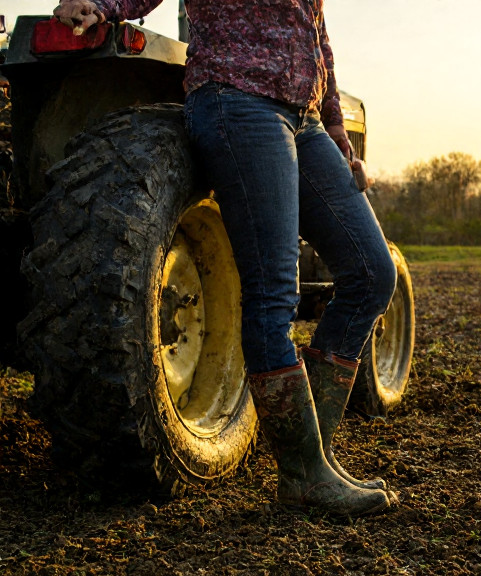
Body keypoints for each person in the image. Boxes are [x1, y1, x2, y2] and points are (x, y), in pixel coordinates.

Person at [53, 0, 398, 517]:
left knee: (373, 273)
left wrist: (336, 128)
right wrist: (103, 5)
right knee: (275, 291)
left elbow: (315, 31)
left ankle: (314, 457)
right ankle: (303, 473)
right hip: (239, 101)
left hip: (303, 118)